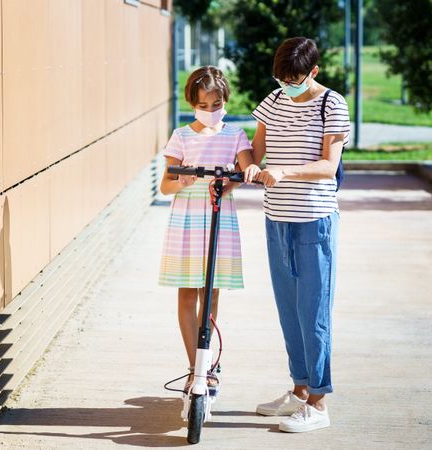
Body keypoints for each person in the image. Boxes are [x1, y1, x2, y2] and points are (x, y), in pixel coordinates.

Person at [251, 37, 350, 432]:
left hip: (314, 220)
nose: (286, 86)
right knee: (289, 311)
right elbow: (256, 150)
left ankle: (319, 403)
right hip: (276, 218)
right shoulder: (273, 102)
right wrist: (246, 165)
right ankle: (298, 390)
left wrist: (285, 172)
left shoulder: (332, 104)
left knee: (314, 314)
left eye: (294, 79)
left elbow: (329, 166)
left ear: (314, 72)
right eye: (280, 78)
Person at [158, 65, 260, 392]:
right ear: (192, 103)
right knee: (187, 293)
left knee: (210, 293)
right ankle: (194, 367)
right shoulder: (182, 136)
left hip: (219, 215)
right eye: (203, 105)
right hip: (187, 220)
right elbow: (165, 185)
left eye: (216, 105)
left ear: (224, 101)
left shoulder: (235, 135)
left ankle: (209, 365)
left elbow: (246, 169)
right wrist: (183, 179)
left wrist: (232, 182)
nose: (211, 111)